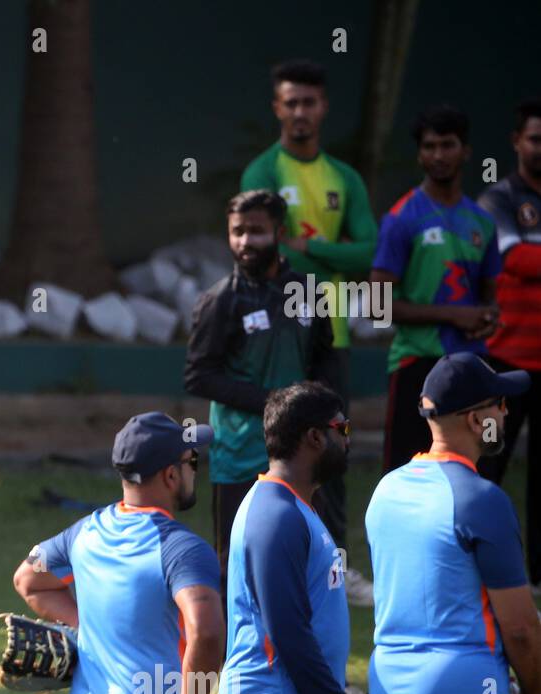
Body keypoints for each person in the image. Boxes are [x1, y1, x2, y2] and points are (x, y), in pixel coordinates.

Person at [12, 412, 223, 694]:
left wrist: (87, 624)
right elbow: (206, 631)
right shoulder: (182, 549)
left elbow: (28, 579)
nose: (193, 474)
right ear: (171, 473)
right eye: (192, 463)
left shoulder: (84, 531)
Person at [365, 353, 541, 694]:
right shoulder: (483, 501)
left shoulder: (386, 490)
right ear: (473, 418)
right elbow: (522, 630)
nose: (506, 414)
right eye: (499, 405)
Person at [241, 58, 379, 607]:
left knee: (334, 452)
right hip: (279, 337)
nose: (300, 112)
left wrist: (309, 248)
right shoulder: (263, 172)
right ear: (277, 108)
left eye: (309, 102)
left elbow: (368, 249)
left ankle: (336, 569)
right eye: (290, 102)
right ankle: (273, 562)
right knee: (274, 449)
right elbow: (258, 248)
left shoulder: (343, 178)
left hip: (332, 334)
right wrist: (318, 254)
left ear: (323, 108)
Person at [221, 382, 363, 694]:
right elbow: (286, 630)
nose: (349, 439)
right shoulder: (273, 514)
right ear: (313, 438)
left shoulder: (298, 509)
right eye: (343, 428)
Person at [184, 190, 339, 592]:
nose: (244, 242)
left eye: (256, 231)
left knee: (309, 558)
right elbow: (199, 376)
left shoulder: (306, 290)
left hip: (302, 453)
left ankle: (305, 649)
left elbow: (324, 355)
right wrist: (275, 403)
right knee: (235, 565)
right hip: (239, 456)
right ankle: (232, 653)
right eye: (237, 232)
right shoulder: (221, 301)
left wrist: (320, 405)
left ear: (280, 233)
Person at [372, 105, 503, 474]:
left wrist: (488, 319)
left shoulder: (483, 222)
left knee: (478, 472)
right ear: (419, 153)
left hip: (474, 366)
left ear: (466, 151)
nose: (438, 155)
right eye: (429, 146)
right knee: (407, 473)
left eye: (447, 145)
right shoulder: (401, 217)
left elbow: (490, 299)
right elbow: (377, 306)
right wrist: (453, 314)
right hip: (417, 364)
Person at [478, 99, 541, 591]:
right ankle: (473, 569)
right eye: (535, 138)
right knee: (486, 468)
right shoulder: (498, 200)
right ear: (517, 142)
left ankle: (535, 575)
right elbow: (514, 258)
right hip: (505, 360)